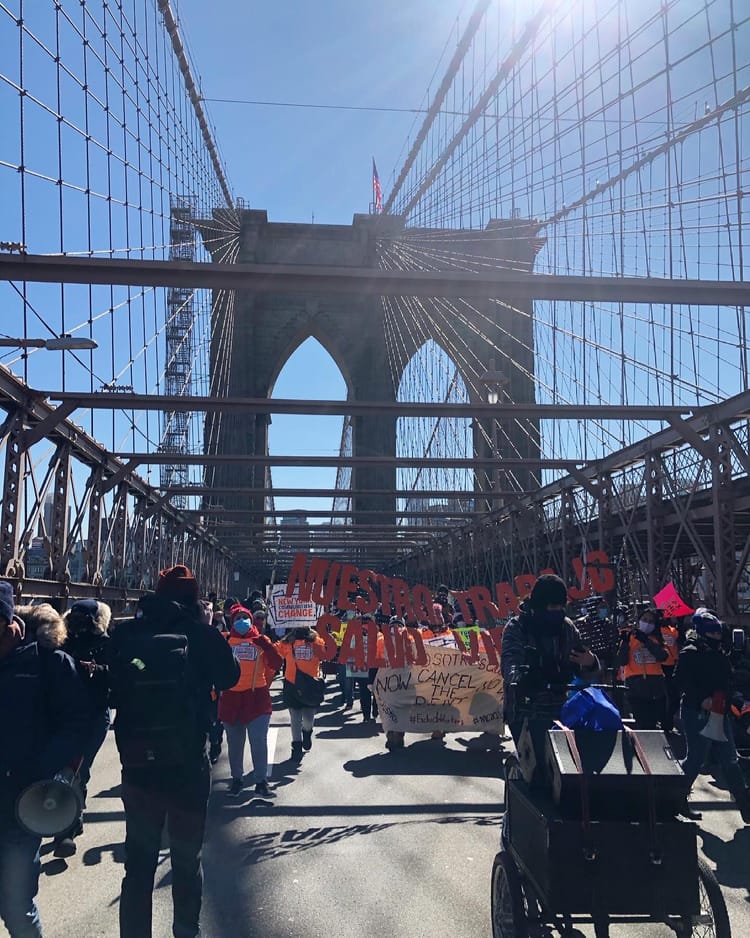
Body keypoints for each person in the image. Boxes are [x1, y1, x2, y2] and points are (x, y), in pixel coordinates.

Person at [109, 564, 240, 938]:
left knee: (138, 864)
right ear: (193, 598)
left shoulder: (126, 633)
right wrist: (206, 627)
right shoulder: (200, 634)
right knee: (186, 859)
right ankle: (186, 931)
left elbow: (110, 686)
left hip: (137, 765)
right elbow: (230, 677)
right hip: (187, 765)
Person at [0, 581, 92, 938]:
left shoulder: (49, 662)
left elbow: (76, 724)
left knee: (16, 906)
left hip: (23, 802)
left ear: (11, 624)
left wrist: (38, 773)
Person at [501, 574, 598, 749]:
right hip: (525, 711)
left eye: (562, 606)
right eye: (554, 606)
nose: (558, 611)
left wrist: (590, 662)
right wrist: (524, 678)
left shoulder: (567, 627)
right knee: (536, 769)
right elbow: (510, 665)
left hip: (560, 709)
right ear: (540, 605)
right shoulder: (517, 627)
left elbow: (583, 667)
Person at [675, 607, 750, 823]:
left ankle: (745, 807)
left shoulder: (720, 652)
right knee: (696, 758)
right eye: (713, 633)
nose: (717, 636)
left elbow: (729, 680)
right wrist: (701, 699)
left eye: (718, 633)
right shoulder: (690, 653)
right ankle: (676, 798)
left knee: (730, 758)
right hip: (695, 710)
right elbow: (680, 682)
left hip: (720, 709)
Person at [54, 599, 112, 857]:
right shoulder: (60, 640)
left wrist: (97, 669)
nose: (78, 620)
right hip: (64, 714)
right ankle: (68, 822)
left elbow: (121, 671)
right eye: (74, 614)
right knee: (67, 768)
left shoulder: (107, 644)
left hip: (94, 715)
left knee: (79, 769)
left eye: (83, 616)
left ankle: (68, 827)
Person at [219, 604, 282, 797]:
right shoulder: (225, 640)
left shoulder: (261, 641)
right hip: (231, 698)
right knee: (235, 744)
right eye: (237, 619)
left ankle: (261, 782)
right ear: (232, 622)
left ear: (251, 620)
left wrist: (268, 646)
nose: (241, 622)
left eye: (244, 618)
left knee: (258, 741)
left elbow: (277, 664)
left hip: (257, 698)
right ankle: (237, 780)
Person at [277, 626, 326, 760]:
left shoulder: (316, 641)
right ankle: (296, 745)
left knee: (309, 718)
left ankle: (307, 732)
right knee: (295, 717)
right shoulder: (287, 642)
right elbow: (276, 652)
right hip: (291, 684)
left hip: (310, 685)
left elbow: (324, 654)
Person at [616, 607, 668, 730]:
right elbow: (622, 661)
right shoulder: (631, 638)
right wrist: (624, 643)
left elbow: (662, 656)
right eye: (645, 620)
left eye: (651, 621)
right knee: (642, 721)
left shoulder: (656, 639)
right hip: (636, 685)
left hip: (655, 684)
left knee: (655, 720)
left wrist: (646, 641)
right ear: (639, 621)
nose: (647, 623)